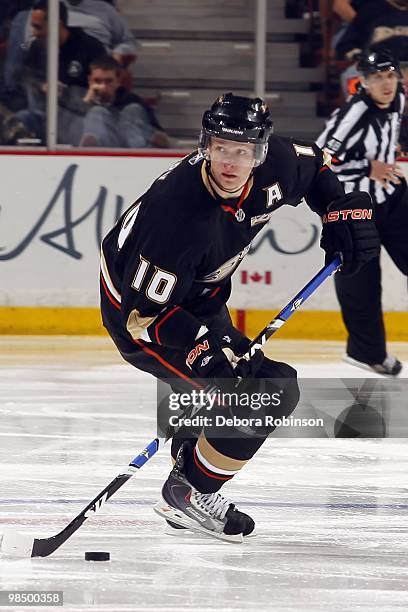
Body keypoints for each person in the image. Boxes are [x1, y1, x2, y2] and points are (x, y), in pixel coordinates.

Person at [100, 93, 379, 541]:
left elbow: (320, 165)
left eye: (243, 149)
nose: (230, 162)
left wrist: (337, 210)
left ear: (260, 151)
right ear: (205, 146)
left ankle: (191, 459)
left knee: (235, 387)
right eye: (220, 147)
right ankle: (191, 490)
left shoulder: (277, 166)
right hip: (143, 318)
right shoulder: (176, 218)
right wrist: (207, 346)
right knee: (268, 391)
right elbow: (142, 318)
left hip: (201, 298)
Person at [317, 50, 407, 375]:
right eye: (378, 78)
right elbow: (322, 159)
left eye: (391, 75)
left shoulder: (398, 99)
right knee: (361, 285)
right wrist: (368, 167)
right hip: (357, 210)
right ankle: (367, 353)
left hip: (393, 198)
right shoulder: (353, 113)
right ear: (363, 83)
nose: (386, 83)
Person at [16, 0, 107, 144]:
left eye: (38, 27)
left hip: (78, 115)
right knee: (20, 119)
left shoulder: (90, 47)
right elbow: (26, 79)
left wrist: (67, 93)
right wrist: (41, 86)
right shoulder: (36, 48)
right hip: (44, 115)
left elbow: (103, 88)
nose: (34, 33)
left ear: (55, 24)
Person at [76, 56, 169, 148]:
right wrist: (86, 103)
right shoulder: (78, 100)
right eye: (97, 81)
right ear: (90, 80)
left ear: (118, 81)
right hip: (98, 156)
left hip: (132, 151)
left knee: (133, 110)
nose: (103, 86)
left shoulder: (131, 100)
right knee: (97, 112)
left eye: (108, 81)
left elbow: (161, 138)